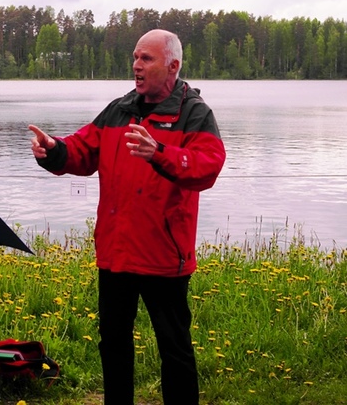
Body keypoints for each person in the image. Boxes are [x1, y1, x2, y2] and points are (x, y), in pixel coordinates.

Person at [29, 29, 226, 404]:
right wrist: (54, 149)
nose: (136, 65)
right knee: (114, 343)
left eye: (146, 59)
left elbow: (208, 167)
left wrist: (160, 153)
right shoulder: (120, 108)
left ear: (173, 66)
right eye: (135, 57)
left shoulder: (194, 113)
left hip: (164, 255)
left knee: (175, 347)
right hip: (116, 252)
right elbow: (83, 149)